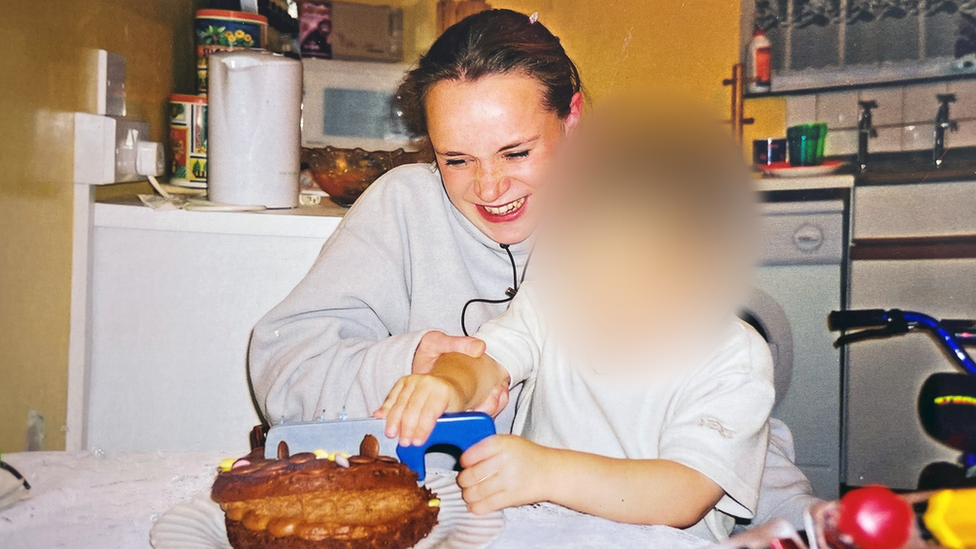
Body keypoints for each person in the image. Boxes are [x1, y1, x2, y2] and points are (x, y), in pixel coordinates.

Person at [248, 8, 820, 531]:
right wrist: (411, 360)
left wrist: (804, 519)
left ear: (571, 119)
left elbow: (723, 412)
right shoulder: (403, 207)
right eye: (457, 159)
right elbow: (285, 371)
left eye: (516, 152)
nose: (490, 188)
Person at [375, 102, 774, 541]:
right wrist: (448, 384)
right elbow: (485, 360)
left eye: (643, 270)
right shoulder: (555, 298)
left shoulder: (733, 355)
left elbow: (685, 493)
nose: (609, 293)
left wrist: (547, 472)